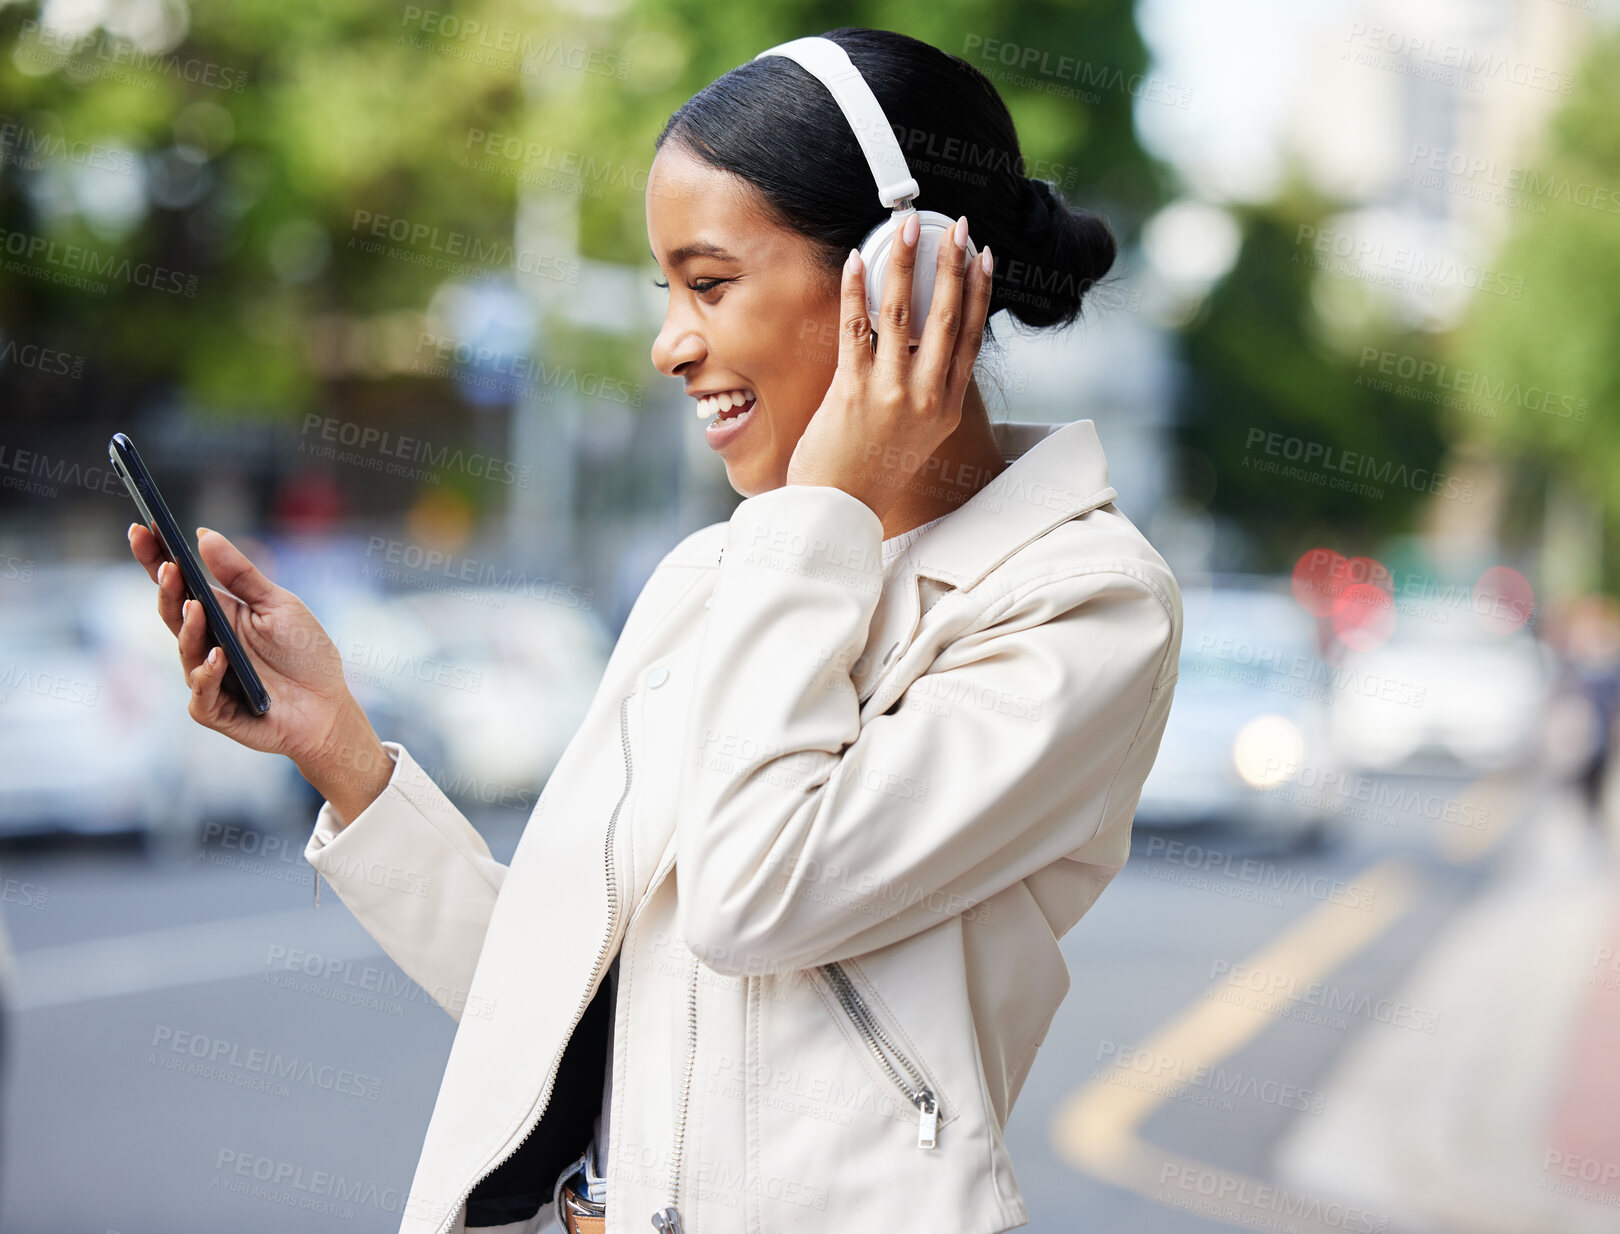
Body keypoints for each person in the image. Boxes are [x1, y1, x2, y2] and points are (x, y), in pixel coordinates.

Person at [128, 26, 1182, 1234]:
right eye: (665, 291)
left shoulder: (1084, 603)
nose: (669, 345)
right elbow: (564, 1011)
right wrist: (343, 754)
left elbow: (753, 896)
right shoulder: (713, 577)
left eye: (711, 283)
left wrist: (818, 511)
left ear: (910, 275)